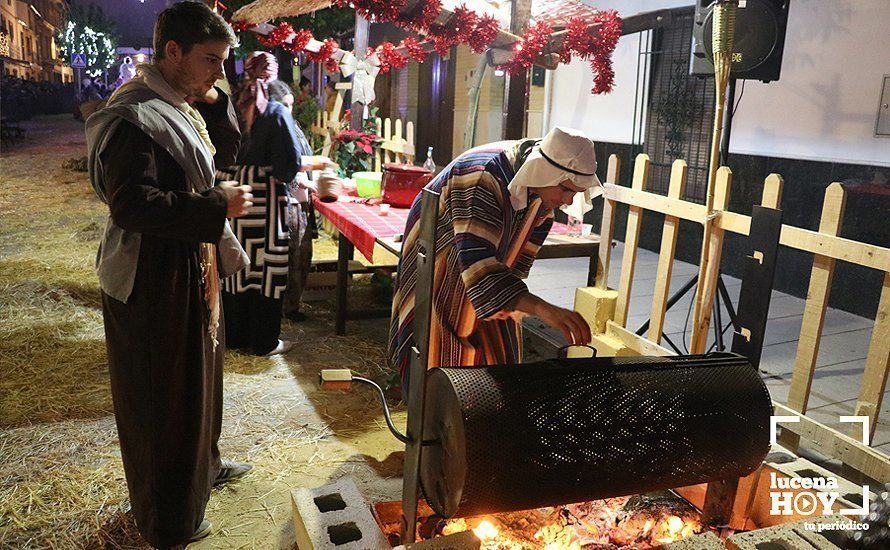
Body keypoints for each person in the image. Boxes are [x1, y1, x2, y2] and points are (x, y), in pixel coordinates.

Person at [84, 2, 253, 547]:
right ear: (171, 52)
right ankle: (168, 518)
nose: (217, 73)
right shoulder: (133, 114)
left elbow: (223, 149)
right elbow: (131, 206)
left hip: (185, 260)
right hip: (152, 275)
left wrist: (215, 97)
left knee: (198, 379)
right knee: (162, 396)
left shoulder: (176, 102)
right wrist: (214, 207)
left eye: (223, 62)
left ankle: (201, 471)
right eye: (210, 60)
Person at [389, 127, 598, 391]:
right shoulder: (483, 178)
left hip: (482, 261)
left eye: (575, 195)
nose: (567, 201)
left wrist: (514, 304)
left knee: (500, 338)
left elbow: (512, 271)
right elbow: (478, 263)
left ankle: (482, 410)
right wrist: (543, 309)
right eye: (566, 190)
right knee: (440, 340)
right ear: (547, 172)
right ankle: (433, 418)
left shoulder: (541, 196)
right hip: (441, 249)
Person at [218, 51, 300, 355]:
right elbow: (288, 165)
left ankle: (235, 337)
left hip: (233, 204)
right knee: (266, 272)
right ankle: (264, 342)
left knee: (236, 268)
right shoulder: (275, 111)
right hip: (265, 209)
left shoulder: (231, 107)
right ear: (272, 75)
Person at [267, 79, 320, 322]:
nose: (288, 110)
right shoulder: (269, 129)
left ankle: (292, 306)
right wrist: (303, 181)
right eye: (283, 105)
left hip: (301, 202)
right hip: (284, 202)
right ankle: (282, 310)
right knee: (288, 258)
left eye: (290, 105)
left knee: (302, 255)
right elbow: (277, 167)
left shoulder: (292, 125)